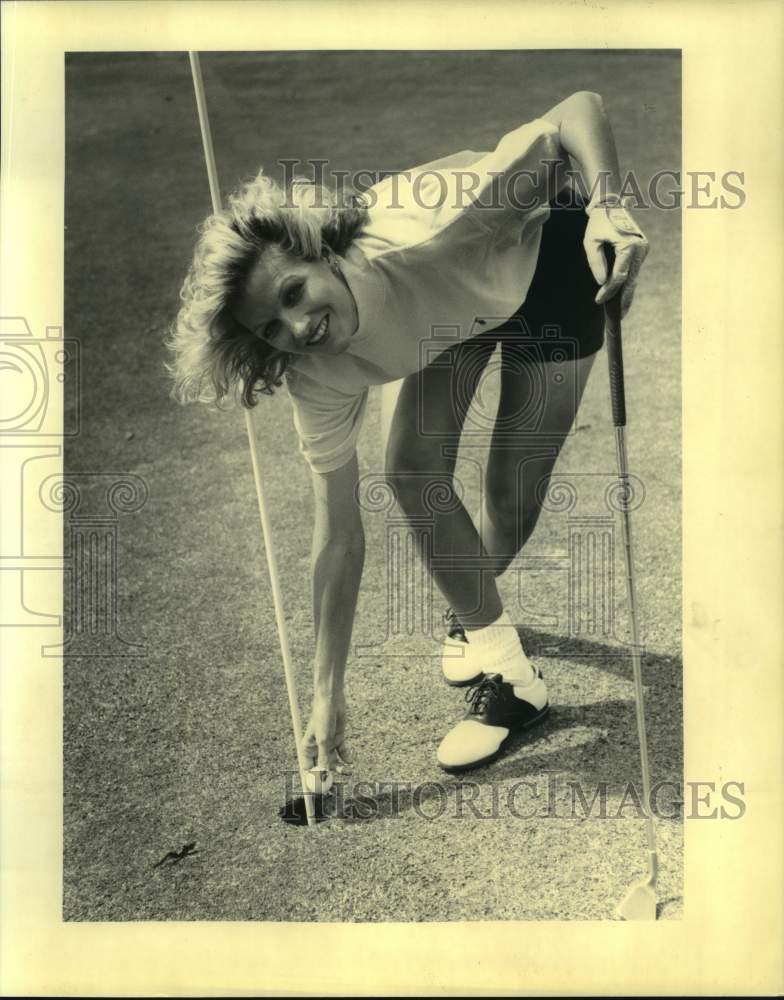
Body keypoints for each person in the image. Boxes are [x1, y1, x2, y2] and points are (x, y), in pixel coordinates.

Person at [167, 90, 648, 780]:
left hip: (546, 265)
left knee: (512, 497)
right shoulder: (313, 369)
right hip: (448, 317)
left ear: (318, 252)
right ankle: (513, 678)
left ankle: (471, 607)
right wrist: (325, 695)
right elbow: (337, 536)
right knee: (412, 468)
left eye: (295, 292)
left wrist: (609, 206)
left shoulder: (436, 225)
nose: (297, 327)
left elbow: (576, 111)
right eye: (270, 326)